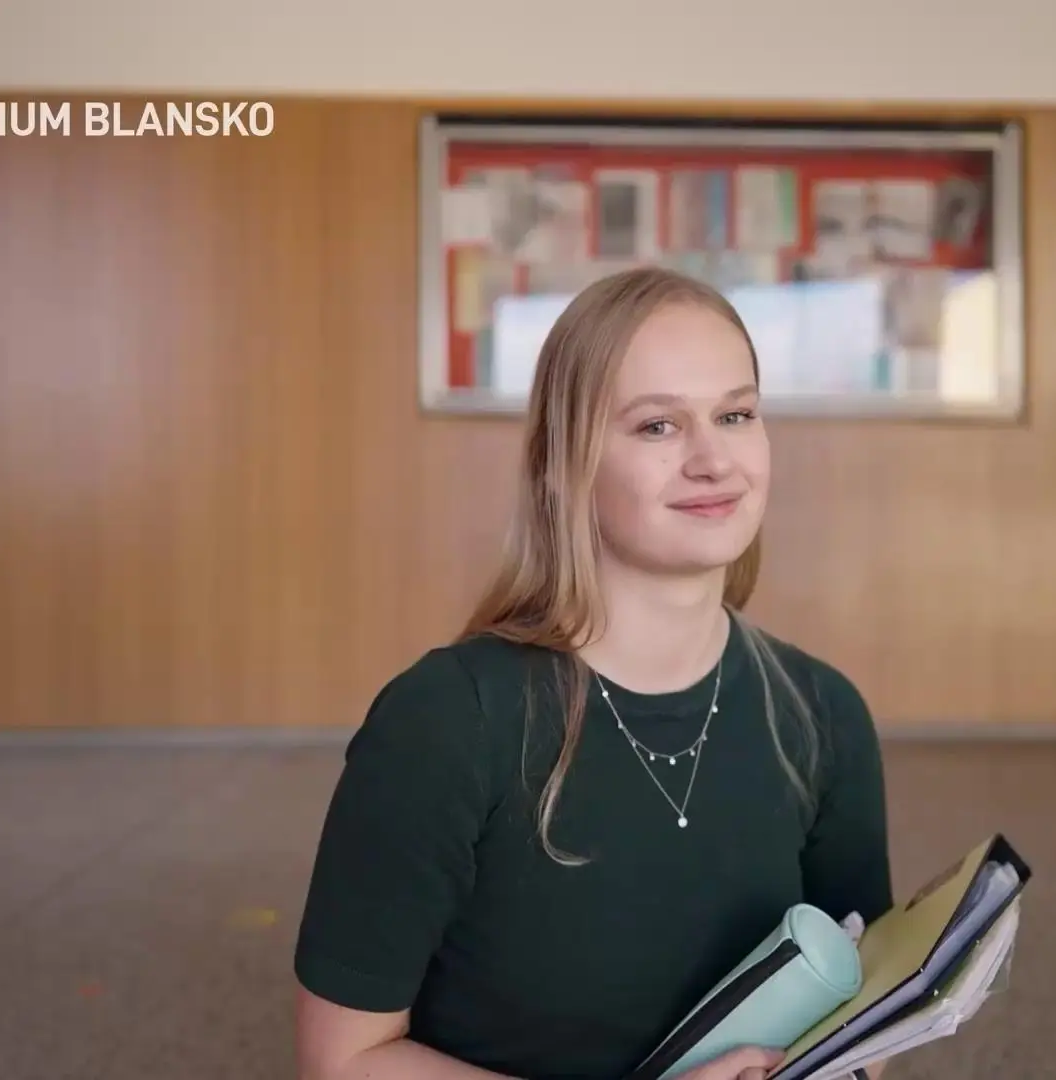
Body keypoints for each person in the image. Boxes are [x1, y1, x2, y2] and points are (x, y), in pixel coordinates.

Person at [292, 266, 894, 1080]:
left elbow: (863, 1021)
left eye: (736, 414)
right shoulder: (445, 721)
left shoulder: (823, 712)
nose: (713, 460)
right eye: (657, 426)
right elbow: (343, 1062)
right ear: (561, 464)